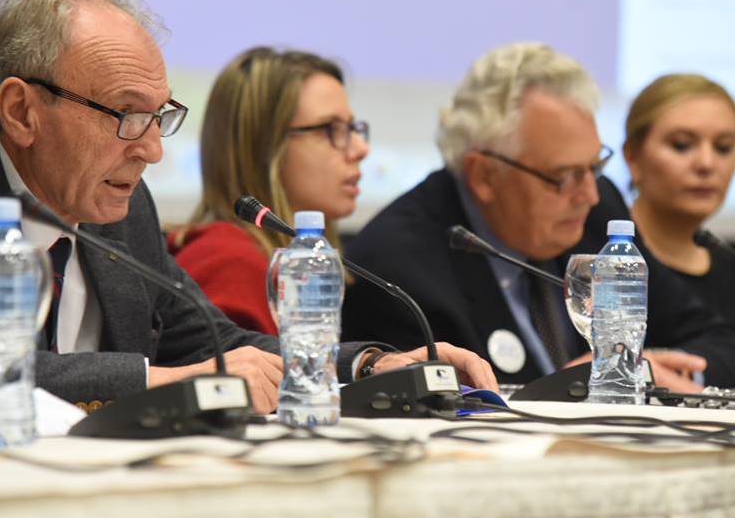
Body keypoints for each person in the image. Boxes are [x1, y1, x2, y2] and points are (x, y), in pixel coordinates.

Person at [0, 0, 497, 412]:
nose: (152, 149)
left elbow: (214, 344)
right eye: (127, 115)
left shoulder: (121, 210)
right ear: (21, 111)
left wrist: (368, 366)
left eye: (159, 117)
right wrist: (167, 382)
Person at [342, 42, 735, 391]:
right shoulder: (400, 263)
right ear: (484, 176)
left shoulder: (598, 212)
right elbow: (437, 406)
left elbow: (717, 341)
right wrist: (567, 389)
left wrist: (654, 369)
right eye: (563, 176)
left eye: (594, 167)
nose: (589, 194)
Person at [169, 47, 368, 335]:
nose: (361, 148)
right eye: (329, 129)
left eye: (352, 128)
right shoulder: (229, 264)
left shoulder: (274, 261)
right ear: (263, 145)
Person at [624, 73, 735, 326]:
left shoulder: (728, 267)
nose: (706, 164)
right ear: (632, 157)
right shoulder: (601, 259)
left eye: (723, 147)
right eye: (682, 145)